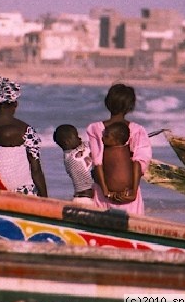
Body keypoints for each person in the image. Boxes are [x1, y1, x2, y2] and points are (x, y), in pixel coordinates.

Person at [86, 83, 152, 215]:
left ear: (107, 103)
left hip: (102, 193)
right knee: (131, 230)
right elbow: (141, 163)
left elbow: (96, 161)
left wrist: (105, 190)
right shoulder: (138, 130)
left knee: (101, 229)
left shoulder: (95, 128)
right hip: (129, 194)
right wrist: (132, 192)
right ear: (130, 107)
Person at [0, 75, 48, 197]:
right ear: (15, 104)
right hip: (26, 193)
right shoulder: (27, 130)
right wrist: (45, 198)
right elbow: (36, 170)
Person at [53, 124, 95, 205]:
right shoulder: (70, 158)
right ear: (67, 142)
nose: (80, 138)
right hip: (84, 199)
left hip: (90, 197)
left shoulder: (78, 148)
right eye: (76, 136)